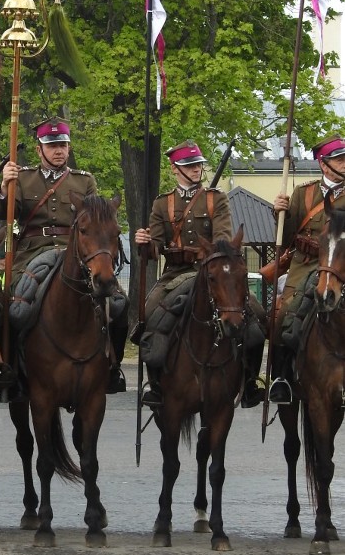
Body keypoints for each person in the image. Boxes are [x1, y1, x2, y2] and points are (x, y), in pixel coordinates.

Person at [0, 117, 127, 394]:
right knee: (12, 306)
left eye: (63, 145)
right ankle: (9, 367)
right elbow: (5, 213)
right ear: (39, 149)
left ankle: (112, 366)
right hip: (33, 251)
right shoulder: (23, 177)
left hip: (76, 253)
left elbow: (96, 219)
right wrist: (5, 186)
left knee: (117, 303)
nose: (59, 150)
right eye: (52, 145)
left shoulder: (84, 180)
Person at [134, 140, 263, 408]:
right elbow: (155, 249)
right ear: (175, 169)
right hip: (175, 273)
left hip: (212, 271)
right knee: (149, 315)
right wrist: (145, 243)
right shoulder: (162, 204)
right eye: (189, 165)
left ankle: (250, 382)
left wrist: (212, 257)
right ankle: (156, 385)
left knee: (256, 315)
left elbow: (224, 239)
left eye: (198, 165)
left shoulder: (217, 199)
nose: (196, 169)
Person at [269, 134, 345, 404]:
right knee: (284, 311)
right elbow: (288, 236)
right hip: (305, 264)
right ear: (324, 164)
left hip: (340, 265)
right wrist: (281, 214)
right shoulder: (304, 193)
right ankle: (281, 377)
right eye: (339, 159)